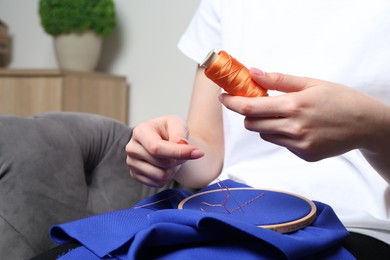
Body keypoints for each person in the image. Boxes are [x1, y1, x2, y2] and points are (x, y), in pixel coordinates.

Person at [126, 0, 390, 257]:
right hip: (227, 212)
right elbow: (208, 155)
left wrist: (373, 129)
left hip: (354, 226)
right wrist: (171, 151)